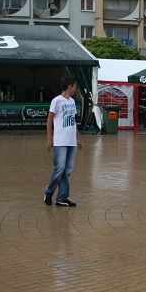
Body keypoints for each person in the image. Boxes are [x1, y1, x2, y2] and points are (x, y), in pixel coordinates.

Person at [44, 76, 83, 207]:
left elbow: (73, 121)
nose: (75, 89)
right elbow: (49, 120)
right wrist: (50, 139)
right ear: (69, 86)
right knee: (59, 167)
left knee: (67, 170)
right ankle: (49, 192)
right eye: (75, 86)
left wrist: (78, 138)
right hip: (60, 140)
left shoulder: (72, 101)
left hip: (71, 140)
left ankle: (62, 197)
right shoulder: (57, 101)